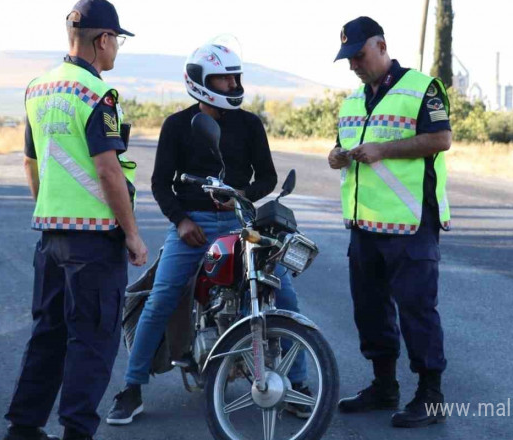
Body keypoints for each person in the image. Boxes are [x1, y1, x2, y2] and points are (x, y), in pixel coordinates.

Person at [106, 42, 311, 425]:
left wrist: (243, 196)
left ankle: (298, 384)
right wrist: (182, 221)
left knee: (285, 296)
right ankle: (131, 388)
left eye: (236, 76)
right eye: (224, 77)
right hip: (192, 227)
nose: (233, 84)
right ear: (201, 81)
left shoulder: (249, 124)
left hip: (240, 222)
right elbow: (161, 183)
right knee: (161, 297)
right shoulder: (176, 125)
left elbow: (265, 176)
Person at [2, 1, 147, 439]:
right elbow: (108, 170)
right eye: (117, 41)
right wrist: (133, 235)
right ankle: (77, 432)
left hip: (51, 235)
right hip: (95, 242)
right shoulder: (96, 94)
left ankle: (23, 428)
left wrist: (48, 208)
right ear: (102, 40)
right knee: (93, 340)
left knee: (47, 334)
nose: (117, 50)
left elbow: (30, 163)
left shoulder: (38, 88)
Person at [328, 17, 452, 428]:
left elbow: (440, 139)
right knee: (370, 309)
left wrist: (383, 149)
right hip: (365, 223)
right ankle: (384, 387)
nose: (353, 66)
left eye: (359, 56)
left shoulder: (421, 88)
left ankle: (430, 396)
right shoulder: (351, 101)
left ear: (381, 46)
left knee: (417, 308)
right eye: (348, 59)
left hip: (411, 222)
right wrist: (336, 156)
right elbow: (343, 148)